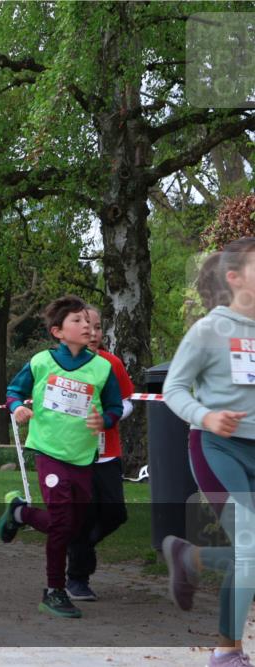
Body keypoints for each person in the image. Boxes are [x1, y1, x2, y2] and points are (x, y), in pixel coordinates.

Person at [0, 295, 123, 618]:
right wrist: (18, 407)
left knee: (74, 524)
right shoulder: (41, 362)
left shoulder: (102, 368)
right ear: (58, 331)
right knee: (63, 521)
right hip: (49, 452)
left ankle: (21, 514)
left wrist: (104, 420)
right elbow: (12, 391)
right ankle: (54, 590)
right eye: (77, 321)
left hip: (82, 457)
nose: (87, 327)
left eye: (88, 321)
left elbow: (115, 407)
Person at [162, 239, 255, 667]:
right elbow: (173, 389)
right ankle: (227, 650)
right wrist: (206, 416)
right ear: (234, 278)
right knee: (250, 546)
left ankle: (191, 557)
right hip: (218, 448)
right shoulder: (208, 331)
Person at [65, 305, 135, 601]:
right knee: (83, 513)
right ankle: (77, 578)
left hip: (108, 451)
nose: (92, 333)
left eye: (96, 327)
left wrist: (110, 416)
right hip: (74, 452)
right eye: (86, 326)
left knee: (115, 512)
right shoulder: (62, 363)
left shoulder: (112, 363)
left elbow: (128, 400)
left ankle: (82, 547)